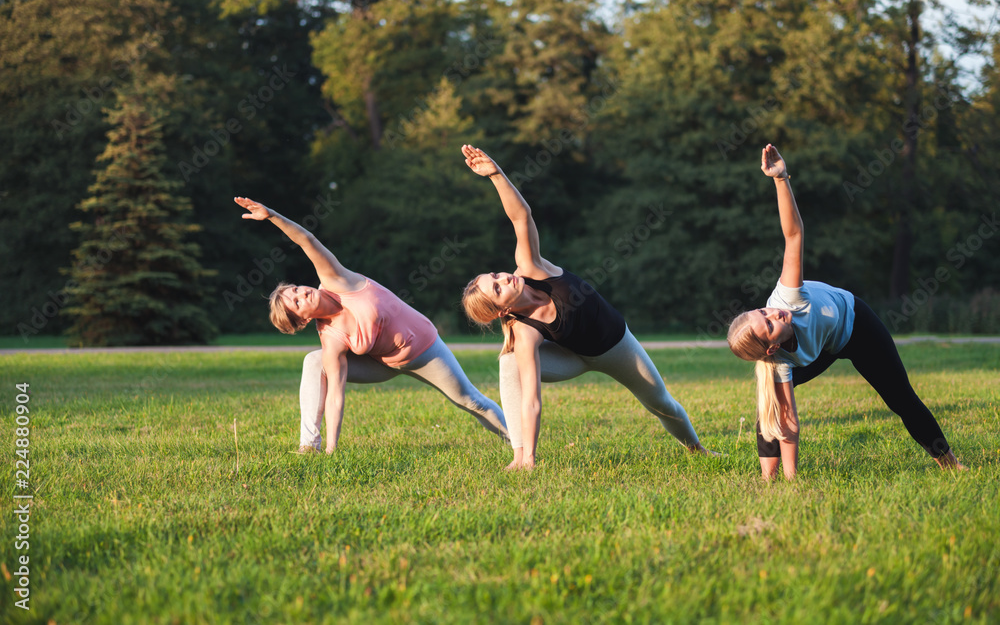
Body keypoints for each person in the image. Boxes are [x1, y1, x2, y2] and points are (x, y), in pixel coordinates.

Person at [458, 146, 712, 470]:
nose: (505, 278)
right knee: (509, 365)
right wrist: (531, 456)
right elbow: (531, 400)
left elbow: (520, 216)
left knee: (661, 403)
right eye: (497, 288)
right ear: (500, 312)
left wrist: (496, 175)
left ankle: (698, 450)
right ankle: (520, 458)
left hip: (616, 346)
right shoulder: (523, 332)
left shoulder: (531, 268)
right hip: (571, 359)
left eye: (496, 276)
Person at [726, 144, 965, 480]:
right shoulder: (777, 362)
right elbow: (788, 420)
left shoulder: (788, 297)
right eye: (768, 324)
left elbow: (793, 235)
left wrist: (781, 179)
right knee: (770, 408)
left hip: (856, 327)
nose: (774, 314)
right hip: (820, 349)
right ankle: (768, 479)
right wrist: (790, 481)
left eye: (764, 311)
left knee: (902, 399)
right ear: (771, 348)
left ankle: (951, 464)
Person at [233, 196, 508, 453]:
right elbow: (336, 398)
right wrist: (332, 450)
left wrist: (271, 216)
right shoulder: (330, 338)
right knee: (314, 361)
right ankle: (310, 446)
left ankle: (521, 443)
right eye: (296, 302)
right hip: (384, 364)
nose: (302, 293)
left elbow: (306, 240)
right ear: (303, 319)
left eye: (296, 289)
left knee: (470, 400)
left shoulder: (336, 280)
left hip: (424, 350)